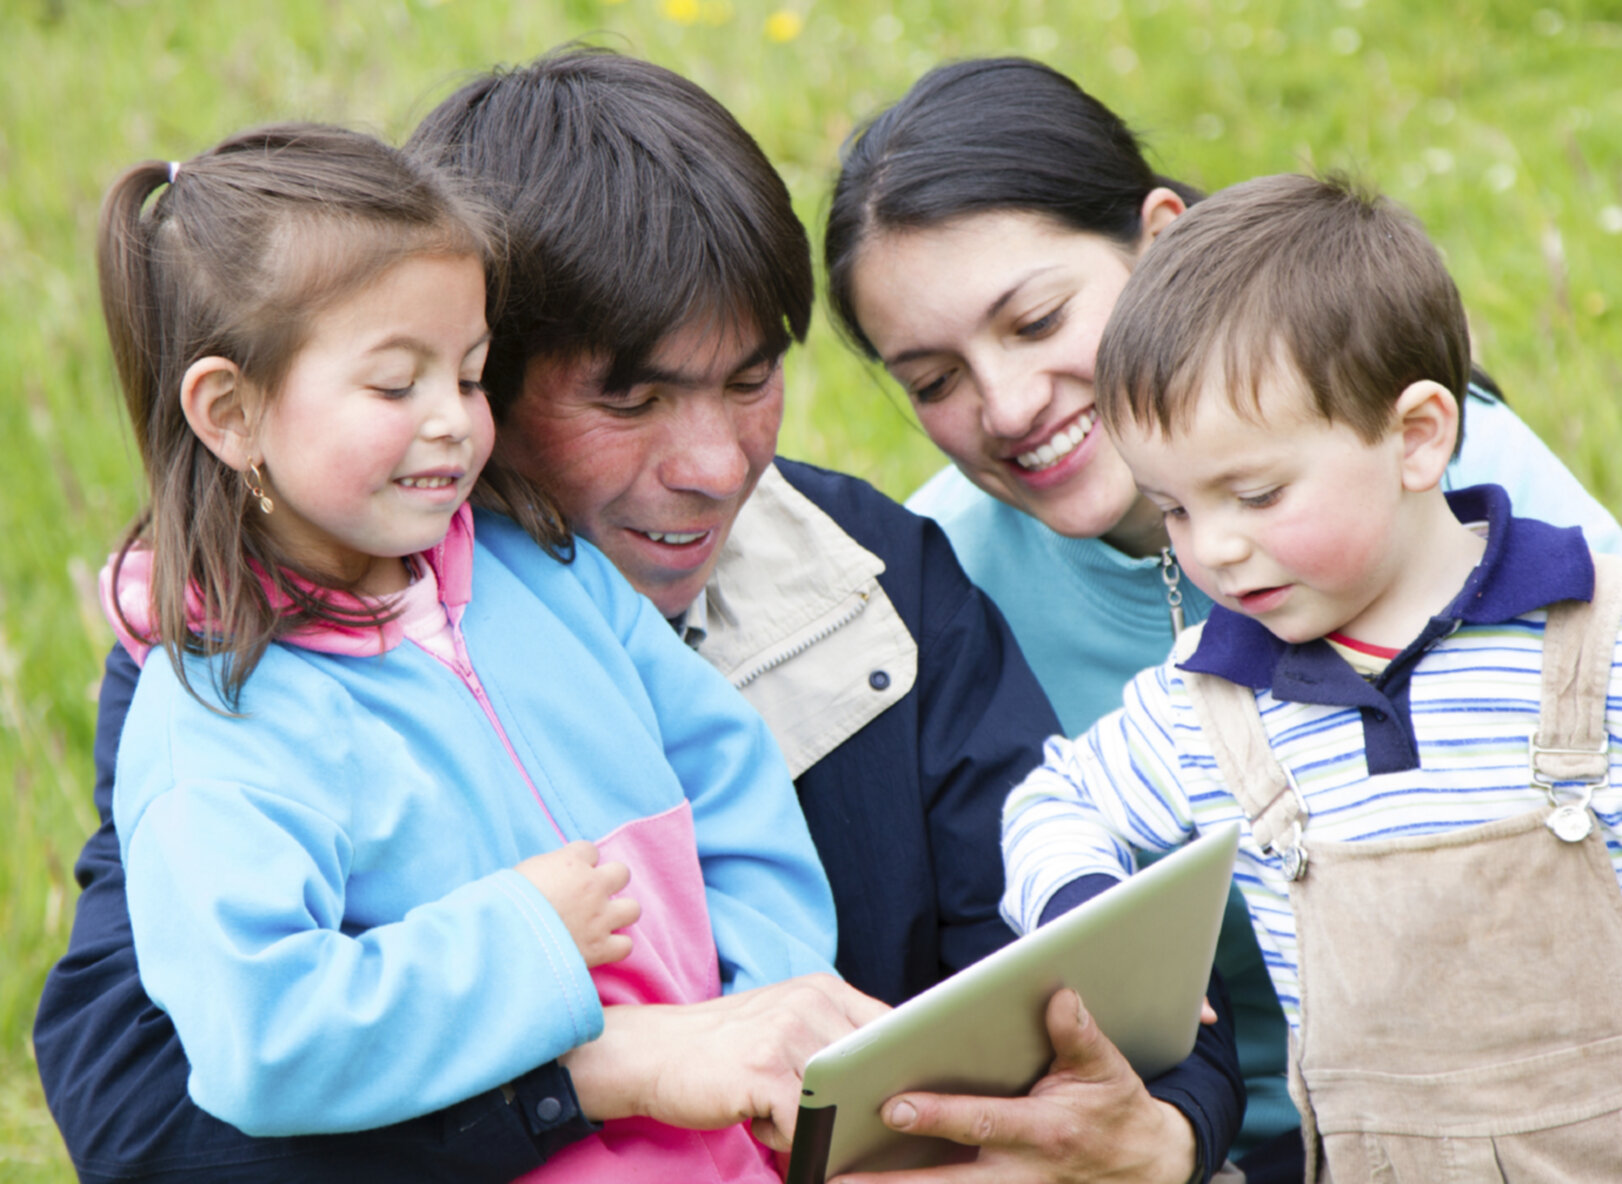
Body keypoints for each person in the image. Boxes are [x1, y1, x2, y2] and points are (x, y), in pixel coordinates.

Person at [36, 50, 1243, 1184]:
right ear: (485, 380)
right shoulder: (234, 655)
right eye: (631, 395)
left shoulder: (874, 575)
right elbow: (141, 1119)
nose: (717, 464)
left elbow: (1106, 961)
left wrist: (1162, 1133)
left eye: (750, 376)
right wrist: (590, 1076)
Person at [823, 55, 1622, 1179]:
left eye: (1036, 317)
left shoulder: (1441, 494)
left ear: (1160, 242)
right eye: (931, 379)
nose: (1003, 406)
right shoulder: (931, 578)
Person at [84, 119, 848, 1180]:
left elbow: (729, 780)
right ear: (231, 410)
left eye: (472, 373)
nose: (452, 420)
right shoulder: (217, 715)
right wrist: (521, 936)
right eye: (395, 385)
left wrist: (766, 1002)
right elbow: (263, 1039)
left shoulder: (546, 572)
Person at [1003, 170, 1622, 1181]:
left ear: (1415, 436)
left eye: (1253, 492)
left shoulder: (1585, 627)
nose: (1216, 549)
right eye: (1174, 509)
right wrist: (1083, 908)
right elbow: (1053, 800)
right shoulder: (1209, 699)